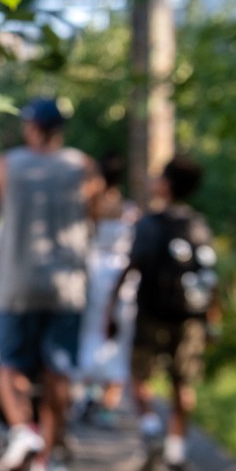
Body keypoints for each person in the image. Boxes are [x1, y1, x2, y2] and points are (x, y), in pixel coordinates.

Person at [0, 98, 102, 471]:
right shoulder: (83, 167)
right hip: (66, 286)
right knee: (58, 370)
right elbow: (94, 219)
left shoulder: (5, 165)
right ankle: (46, 459)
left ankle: (22, 429)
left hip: (15, 283)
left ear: (30, 127)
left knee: (10, 364)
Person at [108, 156, 219, 471]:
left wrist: (110, 306)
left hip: (151, 313)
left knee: (139, 375)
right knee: (182, 382)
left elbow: (131, 265)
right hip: (191, 317)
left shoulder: (150, 223)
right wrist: (212, 320)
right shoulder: (199, 225)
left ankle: (150, 426)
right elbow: (211, 276)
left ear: (167, 185)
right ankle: (176, 450)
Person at [76, 152, 139, 425]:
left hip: (94, 275)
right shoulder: (129, 209)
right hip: (123, 279)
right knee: (118, 337)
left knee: (90, 334)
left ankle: (89, 393)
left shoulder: (90, 207)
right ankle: (109, 403)